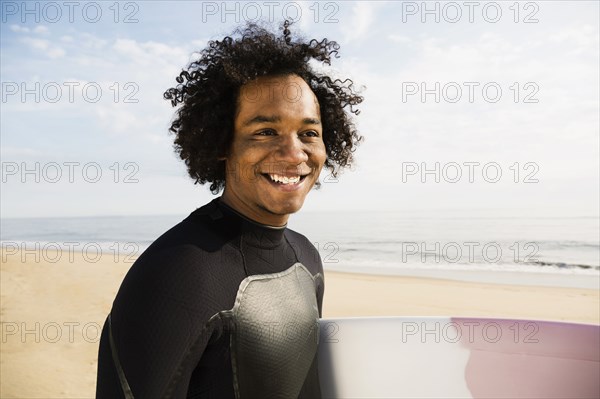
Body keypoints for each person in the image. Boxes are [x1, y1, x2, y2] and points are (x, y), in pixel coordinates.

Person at [95, 20, 363, 398]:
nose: (293, 153)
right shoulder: (177, 272)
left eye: (309, 133)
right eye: (265, 131)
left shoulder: (307, 258)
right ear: (223, 142)